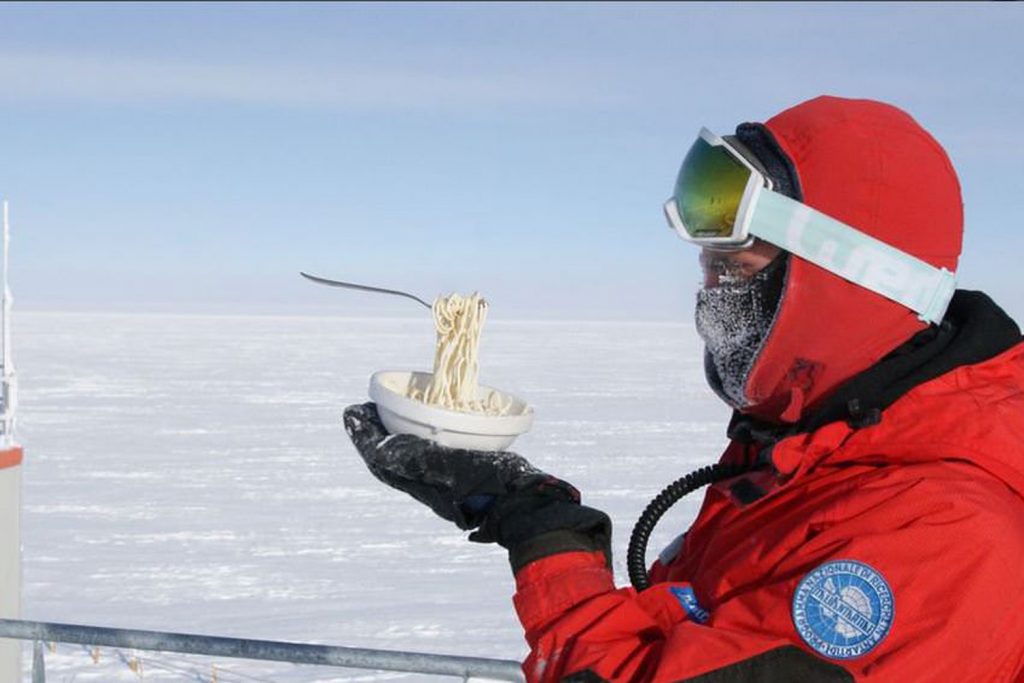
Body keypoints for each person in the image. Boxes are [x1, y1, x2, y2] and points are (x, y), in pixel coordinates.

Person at [344, 96, 1024, 682]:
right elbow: (696, 638)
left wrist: (547, 538)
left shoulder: (942, 540)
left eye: (731, 268)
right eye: (707, 266)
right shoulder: (816, 450)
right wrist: (530, 505)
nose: (708, 295)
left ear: (843, 282)